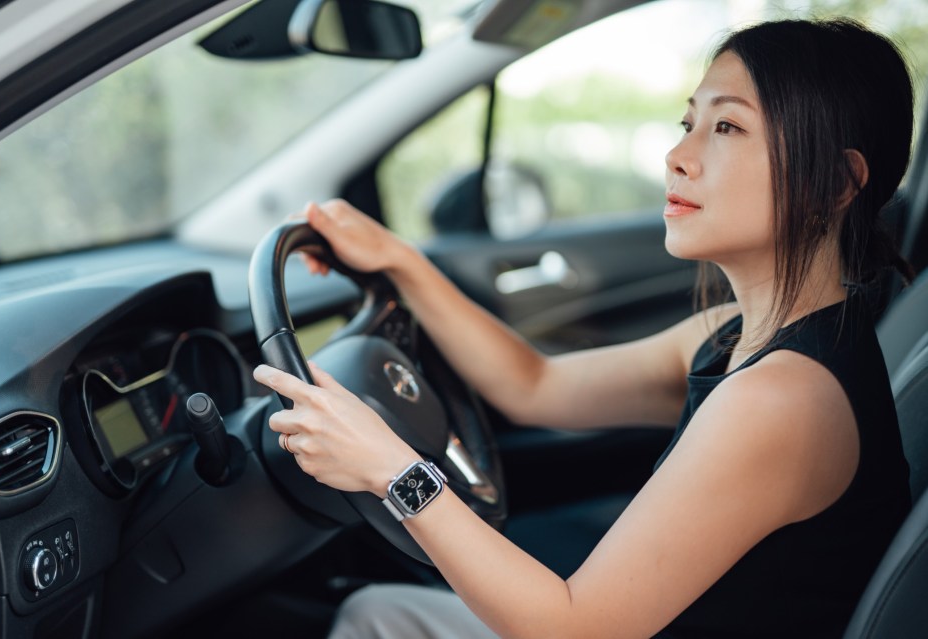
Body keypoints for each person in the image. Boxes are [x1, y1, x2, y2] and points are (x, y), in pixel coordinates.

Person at [252, 18, 914, 638]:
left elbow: (572, 628)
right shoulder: (736, 334)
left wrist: (388, 468)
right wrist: (401, 260)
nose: (676, 156)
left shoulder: (782, 400)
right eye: (688, 122)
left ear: (834, 183)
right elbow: (533, 386)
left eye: (727, 129)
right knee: (378, 609)